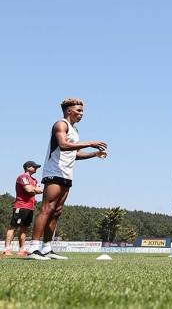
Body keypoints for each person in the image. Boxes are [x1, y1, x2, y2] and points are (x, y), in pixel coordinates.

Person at [28, 98, 108, 261]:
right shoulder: (61, 124)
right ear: (68, 111)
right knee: (47, 208)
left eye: (82, 111)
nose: (81, 114)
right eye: (78, 111)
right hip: (53, 172)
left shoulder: (75, 130)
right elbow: (63, 145)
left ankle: (47, 248)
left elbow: (74, 154)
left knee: (56, 212)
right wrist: (90, 143)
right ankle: (33, 248)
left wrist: (95, 154)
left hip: (66, 174)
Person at [4, 161, 43, 257]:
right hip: (21, 206)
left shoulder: (34, 180)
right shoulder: (22, 177)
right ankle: (7, 249)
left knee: (24, 229)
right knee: (13, 227)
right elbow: (29, 190)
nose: (36, 168)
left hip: (30, 207)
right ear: (28, 167)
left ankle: (21, 250)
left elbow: (40, 190)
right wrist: (35, 189)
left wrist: (34, 189)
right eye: (34, 167)